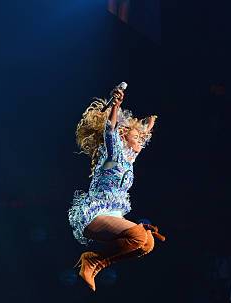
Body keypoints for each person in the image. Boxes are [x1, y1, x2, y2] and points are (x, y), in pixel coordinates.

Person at [68, 85, 165, 291]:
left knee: (147, 243)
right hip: (96, 216)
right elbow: (110, 130)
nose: (141, 140)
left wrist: (149, 124)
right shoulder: (112, 156)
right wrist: (116, 106)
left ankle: (97, 262)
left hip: (114, 215)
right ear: (123, 136)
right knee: (138, 236)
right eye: (136, 136)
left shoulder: (129, 159)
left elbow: (142, 137)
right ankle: (92, 262)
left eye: (141, 138)